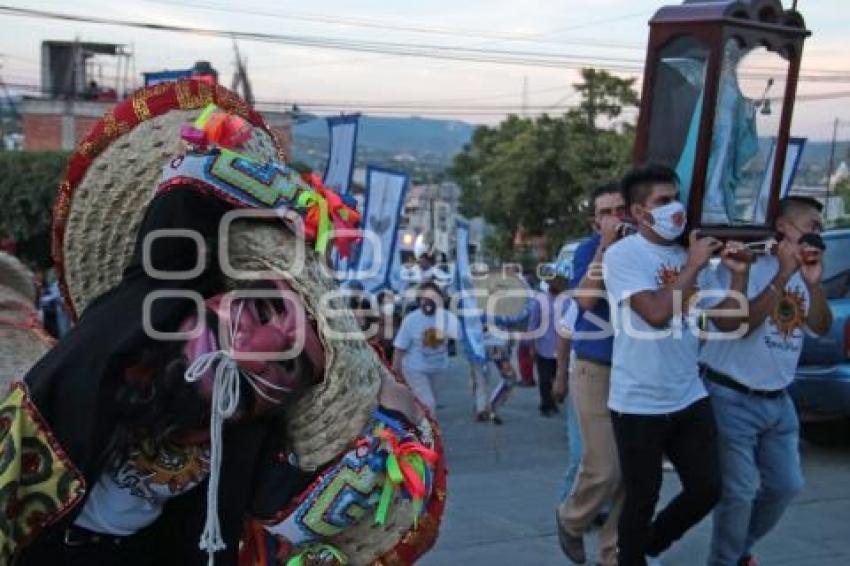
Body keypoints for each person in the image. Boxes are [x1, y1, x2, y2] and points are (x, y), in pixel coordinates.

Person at [0, 83, 445, 566]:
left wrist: (392, 422)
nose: (268, 343)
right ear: (216, 296)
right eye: (263, 308)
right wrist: (296, 203)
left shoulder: (247, 437)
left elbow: (298, 516)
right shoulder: (156, 295)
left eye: (292, 363)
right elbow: (190, 176)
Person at [603, 163, 751, 566]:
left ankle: (649, 544)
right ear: (639, 212)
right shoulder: (623, 256)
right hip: (638, 401)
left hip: (688, 394)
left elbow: (732, 322)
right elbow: (654, 312)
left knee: (707, 488)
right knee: (642, 498)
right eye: (663, 201)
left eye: (676, 198)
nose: (676, 209)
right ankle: (632, 555)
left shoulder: (692, 254)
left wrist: (738, 277)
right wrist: (694, 267)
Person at [703, 196, 832, 566]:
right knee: (740, 491)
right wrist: (782, 276)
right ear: (783, 227)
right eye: (810, 227)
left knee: (786, 486)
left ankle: (739, 549)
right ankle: (725, 561)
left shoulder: (806, 272)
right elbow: (738, 327)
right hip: (731, 394)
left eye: (819, 229)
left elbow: (820, 326)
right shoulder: (743, 266)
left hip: (778, 399)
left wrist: (814, 284)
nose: (816, 236)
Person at [555, 182, 628, 566]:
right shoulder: (588, 250)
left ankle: (612, 552)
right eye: (606, 212)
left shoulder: (641, 252)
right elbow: (585, 299)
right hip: (595, 369)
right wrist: (605, 246)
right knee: (603, 466)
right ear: (595, 221)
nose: (615, 217)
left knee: (633, 471)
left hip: (636, 370)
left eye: (621, 209)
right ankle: (571, 518)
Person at [393, 280, 460, 412]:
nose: (427, 303)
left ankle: (416, 424)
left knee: (428, 402)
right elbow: (400, 347)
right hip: (415, 369)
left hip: (439, 368)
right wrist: (396, 369)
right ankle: (428, 432)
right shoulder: (411, 320)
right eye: (424, 299)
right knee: (428, 404)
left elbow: (462, 338)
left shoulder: (448, 318)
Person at [528, 273, 568, 416]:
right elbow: (533, 323)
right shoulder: (540, 300)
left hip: (562, 349)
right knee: (544, 379)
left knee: (557, 376)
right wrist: (531, 345)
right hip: (544, 347)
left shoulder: (567, 300)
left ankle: (555, 401)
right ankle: (546, 405)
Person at [471, 322, 517, 424]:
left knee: (481, 378)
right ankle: (487, 408)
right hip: (496, 338)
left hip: (486, 338)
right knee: (508, 378)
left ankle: (482, 408)